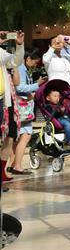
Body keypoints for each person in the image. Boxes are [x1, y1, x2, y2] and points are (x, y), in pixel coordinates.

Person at [8, 50, 43, 174]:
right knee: (26, 135)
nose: (35, 65)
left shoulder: (20, 68)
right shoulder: (21, 69)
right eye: (34, 62)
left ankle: (12, 165)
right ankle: (17, 166)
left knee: (16, 139)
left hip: (19, 107)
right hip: (23, 108)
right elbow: (20, 87)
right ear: (27, 58)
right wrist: (37, 85)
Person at [0, 31, 25, 184]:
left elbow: (15, 61)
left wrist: (19, 44)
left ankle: (1, 171)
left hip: (5, 101)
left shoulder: (2, 53)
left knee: (11, 134)